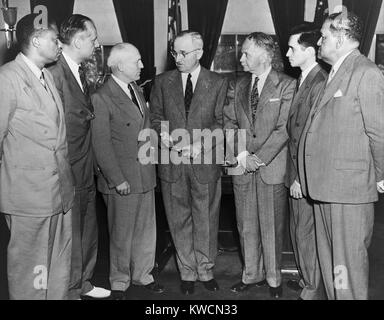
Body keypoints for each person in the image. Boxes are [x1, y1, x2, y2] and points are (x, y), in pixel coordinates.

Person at [298, 11, 384, 300]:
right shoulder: (333, 74)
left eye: (324, 36)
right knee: (334, 265)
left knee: (346, 266)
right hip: (326, 187)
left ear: (342, 37)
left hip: (349, 191)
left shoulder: (366, 73)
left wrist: (382, 177)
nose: (319, 42)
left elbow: (380, 133)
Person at [0, 13, 74, 299]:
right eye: (55, 39)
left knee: (54, 265)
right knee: (30, 269)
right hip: (28, 196)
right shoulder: (8, 78)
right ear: (35, 40)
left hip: (57, 192)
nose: (60, 45)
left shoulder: (46, 77)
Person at [150, 31, 228, 295]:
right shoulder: (162, 82)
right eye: (174, 53)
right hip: (172, 163)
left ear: (199, 53)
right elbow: (156, 117)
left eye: (183, 53)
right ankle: (186, 271)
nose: (177, 58)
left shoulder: (217, 82)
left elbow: (222, 122)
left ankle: (205, 270)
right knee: (178, 219)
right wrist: (164, 137)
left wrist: (200, 145)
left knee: (206, 219)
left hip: (204, 162)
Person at [223, 32, 295, 299]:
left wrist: (259, 158)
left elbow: (283, 128)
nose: (241, 58)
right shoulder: (237, 85)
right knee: (246, 225)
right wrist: (242, 155)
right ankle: (251, 274)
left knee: (272, 226)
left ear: (265, 55)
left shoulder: (287, 85)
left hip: (271, 167)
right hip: (241, 165)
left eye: (246, 53)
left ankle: (274, 280)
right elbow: (228, 122)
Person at [91, 43, 163, 300]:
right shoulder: (101, 97)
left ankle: (143, 275)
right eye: (138, 61)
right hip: (122, 178)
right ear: (120, 66)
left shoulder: (135, 89)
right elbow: (101, 144)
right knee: (121, 234)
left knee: (145, 230)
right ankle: (119, 282)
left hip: (144, 175)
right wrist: (116, 179)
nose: (142, 65)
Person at [49, 14, 110, 300]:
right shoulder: (54, 72)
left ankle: (83, 282)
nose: (97, 44)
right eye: (93, 38)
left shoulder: (78, 70)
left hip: (85, 164)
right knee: (70, 233)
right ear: (77, 40)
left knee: (87, 227)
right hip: (67, 166)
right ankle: (71, 289)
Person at [285, 24, 327, 300]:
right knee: (298, 229)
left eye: (292, 48)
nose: (287, 53)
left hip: (305, 173)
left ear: (310, 51)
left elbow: (312, 135)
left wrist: (300, 177)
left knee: (306, 231)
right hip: (295, 170)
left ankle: (311, 287)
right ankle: (306, 279)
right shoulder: (303, 79)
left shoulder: (319, 81)